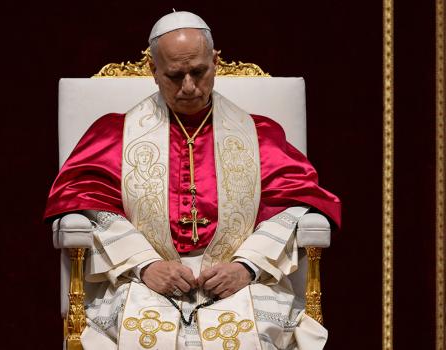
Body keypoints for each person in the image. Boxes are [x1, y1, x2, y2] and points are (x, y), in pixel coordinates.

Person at [45, 10, 341, 350]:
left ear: (214, 62)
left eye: (198, 71)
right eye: (175, 75)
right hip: (143, 280)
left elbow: (296, 202)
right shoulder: (116, 136)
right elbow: (84, 199)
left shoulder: (259, 136)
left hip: (238, 279)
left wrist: (246, 267)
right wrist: (145, 265)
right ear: (154, 72)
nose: (189, 87)